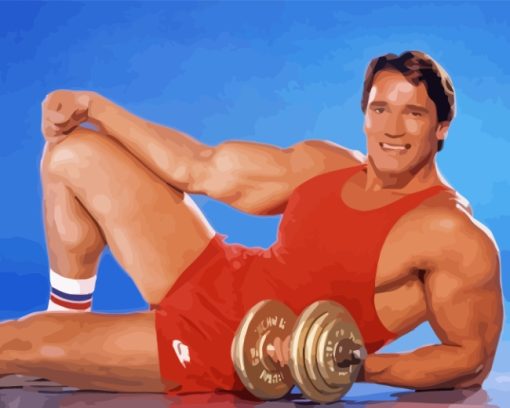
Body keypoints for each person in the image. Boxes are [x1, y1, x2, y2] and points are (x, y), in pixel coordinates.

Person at [0, 50, 502, 396]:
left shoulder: (451, 234)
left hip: (234, 349)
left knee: (12, 344)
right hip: (216, 270)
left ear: (441, 127)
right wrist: (92, 105)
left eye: (413, 114)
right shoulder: (326, 164)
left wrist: (339, 363)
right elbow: (198, 167)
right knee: (73, 151)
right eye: (380, 109)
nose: (392, 128)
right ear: (364, 115)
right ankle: (65, 314)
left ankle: (53, 340)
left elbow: (470, 360)